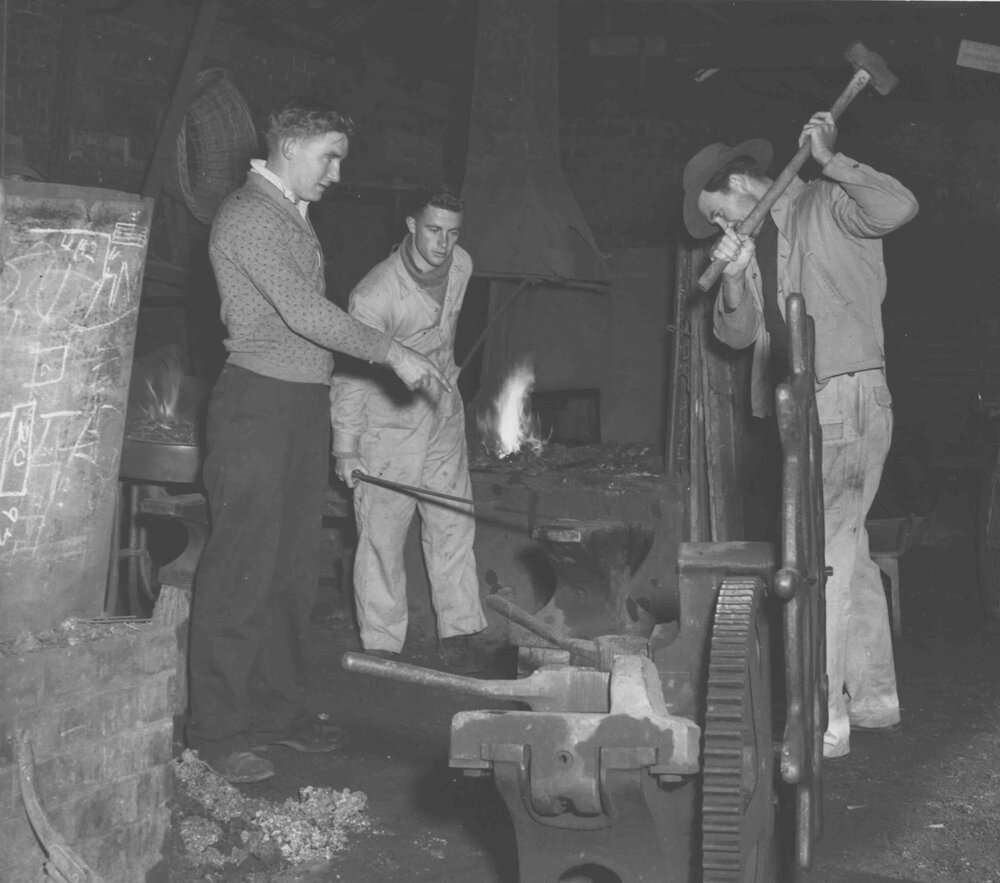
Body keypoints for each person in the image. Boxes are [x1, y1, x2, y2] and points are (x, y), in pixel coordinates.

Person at [186, 97, 450, 784]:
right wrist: (390, 352)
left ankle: (277, 710)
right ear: (291, 144)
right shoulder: (247, 215)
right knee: (241, 570)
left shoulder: (290, 217)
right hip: (255, 405)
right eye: (329, 155)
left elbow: (309, 339)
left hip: (299, 404)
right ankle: (215, 732)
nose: (335, 172)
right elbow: (304, 314)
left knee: (291, 569)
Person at [682, 111, 919, 759]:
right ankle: (874, 697)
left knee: (822, 555)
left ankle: (824, 717)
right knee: (851, 544)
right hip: (811, 404)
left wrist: (833, 159)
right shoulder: (761, 242)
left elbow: (900, 205)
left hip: (846, 392)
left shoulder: (826, 204)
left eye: (722, 213)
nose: (726, 229)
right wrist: (731, 276)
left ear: (739, 185)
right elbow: (735, 336)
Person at [330, 188, 488, 673]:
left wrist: (450, 370)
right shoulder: (375, 294)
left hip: (442, 411)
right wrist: (346, 448)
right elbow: (351, 376)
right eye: (434, 230)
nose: (444, 243)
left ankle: (459, 632)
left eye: (453, 231)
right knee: (382, 533)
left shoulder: (461, 266)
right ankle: (381, 644)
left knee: (453, 520)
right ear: (411, 225)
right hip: (387, 422)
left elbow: (447, 330)